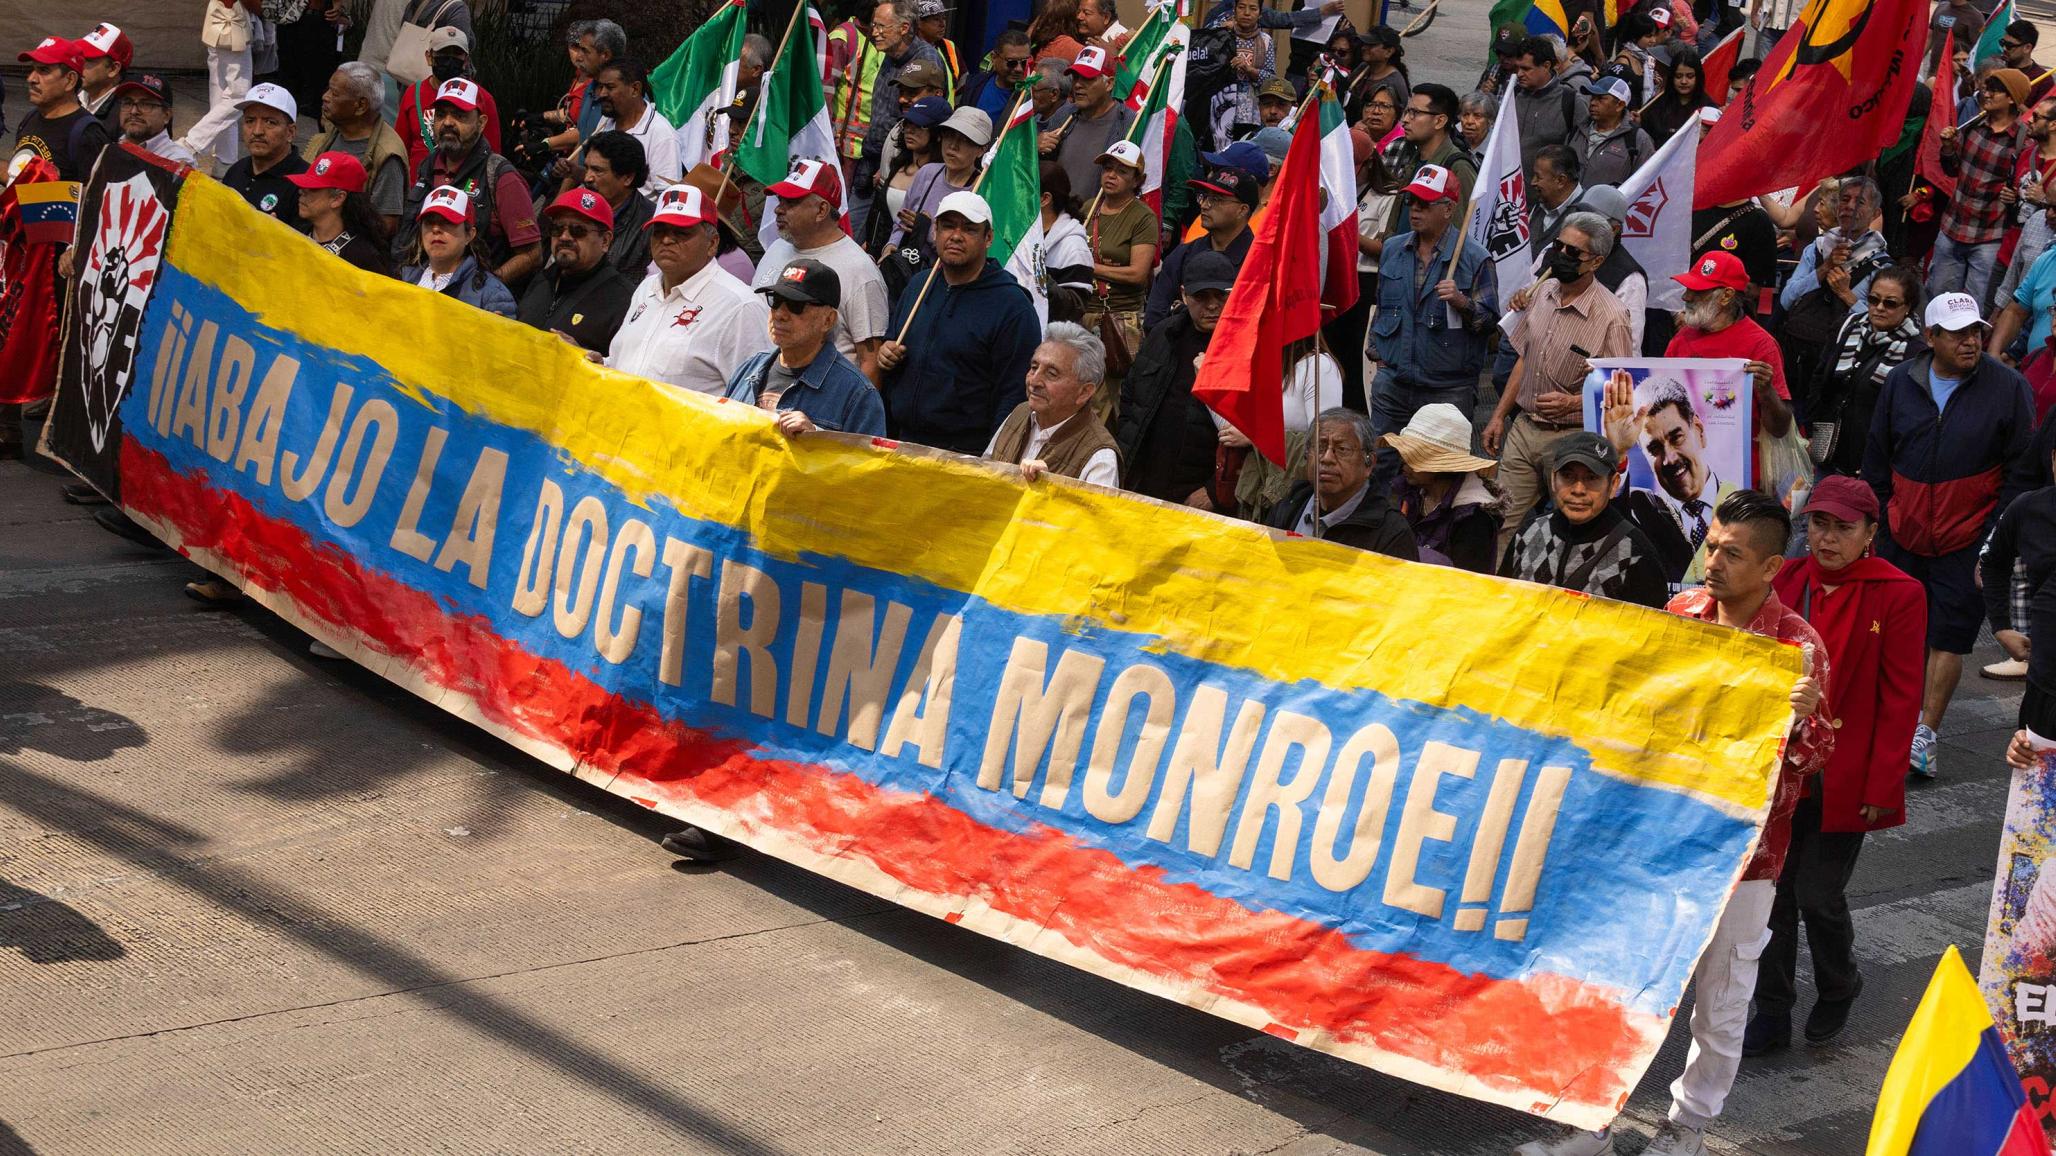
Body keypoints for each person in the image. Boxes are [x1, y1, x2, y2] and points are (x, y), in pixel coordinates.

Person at [1521, 492, 1832, 1156]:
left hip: (1746, 858)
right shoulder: (1681, 614)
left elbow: (1813, 759)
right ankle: (1590, 1119)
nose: (1713, 561)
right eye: (1712, 544)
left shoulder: (1797, 646)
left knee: (1720, 1003)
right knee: (1619, 983)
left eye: (1732, 552)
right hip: (1656, 842)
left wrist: (1803, 718)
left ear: (1773, 565)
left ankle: (1686, 1130)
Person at [1738, 476, 1926, 1057]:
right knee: (1771, 895)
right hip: (1783, 766)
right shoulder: (1785, 577)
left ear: (1871, 532)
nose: (1827, 537)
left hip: (1847, 773)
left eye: (1844, 527)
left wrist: (1883, 781)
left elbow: (1901, 698)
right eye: (1819, 523)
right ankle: (1771, 1009)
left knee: (1819, 895)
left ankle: (1839, 984)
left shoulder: (1900, 593)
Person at [1864, 291, 2040, 779]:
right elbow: (1877, 456)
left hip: (1968, 538)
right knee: (1897, 632)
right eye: (1958, 333)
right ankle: (1890, 720)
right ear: (1931, 338)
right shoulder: (1901, 382)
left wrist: (1993, 540)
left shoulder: (2008, 387)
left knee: (1948, 635)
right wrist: (1882, 516)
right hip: (1903, 532)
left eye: (1976, 331)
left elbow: (2021, 472)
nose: (1971, 341)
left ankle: (1926, 733)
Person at [1482, 212, 1634, 557]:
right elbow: (1524, 357)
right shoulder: (1543, 292)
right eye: (1558, 246)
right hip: (1524, 428)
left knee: (1572, 527)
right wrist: (1497, 416)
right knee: (1499, 519)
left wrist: (1573, 403)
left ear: (1596, 261)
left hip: (1574, 439)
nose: (1560, 256)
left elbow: (1620, 389)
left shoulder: (1612, 316)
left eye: (1572, 252)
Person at [877, 191, 1042, 454]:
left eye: (969, 229)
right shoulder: (919, 285)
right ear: (935, 232)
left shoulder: (1012, 307)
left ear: (988, 238)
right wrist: (886, 353)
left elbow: (1013, 396)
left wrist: (995, 460)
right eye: (948, 226)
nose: (955, 235)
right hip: (902, 444)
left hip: (963, 456)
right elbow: (893, 340)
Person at [1368, 164, 1498, 491]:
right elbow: (1383, 303)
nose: (1415, 210)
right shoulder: (1394, 250)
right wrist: (1378, 350)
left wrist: (1461, 302)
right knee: (1381, 464)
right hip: (1395, 381)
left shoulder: (1473, 257)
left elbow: (1489, 324)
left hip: (1447, 388)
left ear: (1449, 209)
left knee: (1440, 473)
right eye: (1412, 202)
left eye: (1425, 204)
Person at [606, 183, 771, 397]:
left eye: (681, 233)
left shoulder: (740, 307)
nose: (666, 240)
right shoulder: (646, 288)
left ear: (712, 243)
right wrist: (598, 362)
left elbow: (756, 396)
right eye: (659, 231)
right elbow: (629, 361)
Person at [394, 77, 541, 290]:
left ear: (481, 123)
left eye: (459, 115)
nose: (448, 122)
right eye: (441, 114)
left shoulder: (501, 177)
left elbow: (531, 255)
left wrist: (481, 291)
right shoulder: (426, 167)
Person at [753, 158, 892, 380]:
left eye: (791, 202)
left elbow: (870, 361)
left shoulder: (859, 270)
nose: (779, 209)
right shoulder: (777, 248)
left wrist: (849, 413)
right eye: (781, 200)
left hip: (817, 405)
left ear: (821, 210)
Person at [1497, 431, 1670, 607]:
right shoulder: (1528, 534)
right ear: (1553, 479)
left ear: (1613, 484)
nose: (1578, 489)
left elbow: (1652, 629)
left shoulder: (1636, 553)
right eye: (1568, 476)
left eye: (1591, 478)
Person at [1120, 250, 1235, 506]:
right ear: (1183, 294)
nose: (1213, 305)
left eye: (1221, 295)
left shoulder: (1246, 348)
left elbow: (1251, 434)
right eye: (1201, 296)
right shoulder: (1163, 335)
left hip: (1201, 496)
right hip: (1145, 484)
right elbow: (1131, 398)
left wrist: (1215, 491)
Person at [724, 258, 888, 437]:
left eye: (796, 305)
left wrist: (817, 440)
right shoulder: (748, 369)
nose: (779, 314)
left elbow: (867, 462)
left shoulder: (857, 393)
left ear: (828, 320)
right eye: (775, 301)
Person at [1666, 253, 1794, 462]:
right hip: (1687, 464)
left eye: (1697, 291)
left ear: (1726, 296)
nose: (1686, 297)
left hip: (1739, 471)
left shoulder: (1761, 345)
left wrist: (1767, 391)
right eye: (1688, 288)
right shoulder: (1682, 338)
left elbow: (1779, 429)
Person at [1780, 178, 1891, 404]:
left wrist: (1846, 295)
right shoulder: (1818, 248)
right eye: (1845, 199)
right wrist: (1823, 269)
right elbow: (1786, 299)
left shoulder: (1882, 266)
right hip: (1800, 355)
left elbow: (1880, 322)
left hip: (1842, 365)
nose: (1850, 206)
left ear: (1875, 212)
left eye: (1860, 202)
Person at [1807, 267, 1925, 479]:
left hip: (1873, 463)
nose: (1879, 308)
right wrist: (1813, 430)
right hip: (1829, 452)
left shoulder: (1914, 352)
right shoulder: (1848, 326)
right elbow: (1820, 378)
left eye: (1890, 303)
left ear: (1907, 307)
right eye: (1873, 300)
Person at [1983, 432, 2056, 771]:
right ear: (2053, 462)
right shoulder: (2029, 509)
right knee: (2039, 805)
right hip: (2045, 685)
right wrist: (2001, 626)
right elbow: (1994, 563)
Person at [1932, 68, 2031, 307]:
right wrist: (1948, 148)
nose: (1987, 94)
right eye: (1987, 88)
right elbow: (1952, 170)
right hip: (1952, 228)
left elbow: (2025, 190)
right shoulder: (1972, 125)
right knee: (1940, 299)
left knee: (1974, 306)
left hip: (1989, 236)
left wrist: (2015, 196)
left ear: (2011, 98)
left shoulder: (2022, 141)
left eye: (1995, 90)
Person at [1265, 409, 1422, 559]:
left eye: (1342, 449)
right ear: (1307, 455)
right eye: (1320, 447)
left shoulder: (1391, 532)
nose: (1327, 458)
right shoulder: (1289, 506)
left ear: (1369, 463)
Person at [984, 323, 1119, 487]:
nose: (1034, 381)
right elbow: (984, 474)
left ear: (1084, 392)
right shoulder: (1020, 412)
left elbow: (1091, 513)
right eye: (1034, 367)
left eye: (1051, 374)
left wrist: (1051, 488)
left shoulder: (1100, 458)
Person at [854, 0, 946, 234]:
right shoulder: (890, 54)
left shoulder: (925, 60)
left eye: (881, 26)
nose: (874, 32)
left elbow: (924, 120)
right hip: (871, 162)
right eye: (874, 25)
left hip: (897, 167)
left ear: (904, 28)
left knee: (884, 236)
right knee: (855, 232)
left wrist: (891, 165)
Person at [1082, 139, 1158, 415]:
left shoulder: (1143, 217)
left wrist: (1089, 268)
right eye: (1107, 168)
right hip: (1082, 314)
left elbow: (1138, 274)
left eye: (1121, 171)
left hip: (1117, 319)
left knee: (1107, 400)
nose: (1111, 175)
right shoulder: (1090, 208)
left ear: (1138, 180)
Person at [1384, 404, 1501, 572]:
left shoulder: (1473, 519)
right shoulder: (1413, 490)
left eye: (1414, 457)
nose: (1403, 461)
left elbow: (1466, 581)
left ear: (1441, 466)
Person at [517, 188, 635, 355]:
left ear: (605, 241)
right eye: (557, 229)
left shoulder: (624, 300)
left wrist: (581, 356)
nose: (564, 237)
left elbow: (625, 370)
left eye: (578, 230)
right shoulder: (542, 279)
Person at [1144, 165, 1257, 330]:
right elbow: (1153, 321)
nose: (1204, 205)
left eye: (1216, 200)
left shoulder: (1261, 260)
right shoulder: (1182, 256)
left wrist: (1182, 311)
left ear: (1242, 210)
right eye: (1204, 197)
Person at [303, 62, 407, 238]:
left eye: (335, 94)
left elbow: (386, 225)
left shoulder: (387, 154)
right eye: (328, 89)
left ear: (361, 106)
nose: (325, 97)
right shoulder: (333, 131)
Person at [393, 26, 504, 177]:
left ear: (466, 60)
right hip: (419, 188)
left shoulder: (482, 98)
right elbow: (399, 148)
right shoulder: (414, 93)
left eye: (457, 53)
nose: (450, 59)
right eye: (443, 53)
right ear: (429, 57)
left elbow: (493, 154)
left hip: (463, 189)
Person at [397, 186, 517, 317]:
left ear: (469, 235)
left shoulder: (492, 297)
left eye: (447, 222)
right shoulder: (401, 279)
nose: (436, 229)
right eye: (429, 222)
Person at [1044, 47, 1137, 213]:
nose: (1078, 85)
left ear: (1109, 84)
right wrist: (1037, 146)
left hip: (1096, 221)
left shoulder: (1128, 123)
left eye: (1087, 79)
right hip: (1055, 218)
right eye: (1076, 77)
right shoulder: (1064, 114)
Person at [889, 105, 989, 255]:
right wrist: (891, 246)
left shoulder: (982, 189)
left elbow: (968, 252)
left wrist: (926, 228)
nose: (953, 146)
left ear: (981, 150)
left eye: (964, 140)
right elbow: (901, 222)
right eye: (949, 136)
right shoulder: (927, 173)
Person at [1380, 83, 1476, 235]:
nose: (1405, 119)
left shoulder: (1458, 167)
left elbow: (1460, 233)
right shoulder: (1413, 160)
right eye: (1406, 111)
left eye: (1414, 113)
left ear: (1439, 121)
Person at [577, 58, 678, 200]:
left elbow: (668, 196)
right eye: (601, 87)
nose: (602, 94)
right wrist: (575, 172)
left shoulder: (662, 134)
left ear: (635, 89)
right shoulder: (607, 120)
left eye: (610, 87)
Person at [183, 0, 259, 168]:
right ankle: (191, 143)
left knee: (220, 96)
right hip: (232, 17)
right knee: (237, 96)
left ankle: (225, 160)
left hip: (221, 18)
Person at [222, 84, 310, 230]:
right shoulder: (236, 171)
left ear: (290, 132)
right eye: (250, 121)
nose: (257, 131)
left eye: (270, 122)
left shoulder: (306, 185)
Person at [290, 152, 391, 275]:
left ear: (338, 198)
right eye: (303, 186)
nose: (302, 191)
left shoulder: (362, 255)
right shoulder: (297, 234)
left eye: (313, 188)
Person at [872, 95, 945, 252]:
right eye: (907, 123)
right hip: (881, 254)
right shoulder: (897, 165)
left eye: (920, 126)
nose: (909, 130)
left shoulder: (942, 177)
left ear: (938, 134)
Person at [578, 130, 653, 277]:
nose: (587, 178)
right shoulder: (576, 210)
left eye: (597, 170)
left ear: (628, 178)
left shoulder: (651, 227)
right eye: (587, 168)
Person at [1510, 36, 1585, 177]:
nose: (1519, 74)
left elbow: (1582, 154)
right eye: (1518, 68)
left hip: (1548, 195)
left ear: (1546, 66)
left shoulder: (1570, 101)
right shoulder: (1513, 95)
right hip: (1509, 191)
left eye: (1526, 69)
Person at [1209, 0, 1276, 148]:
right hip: (1220, 106)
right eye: (1241, 7)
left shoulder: (1266, 41)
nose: (1246, 13)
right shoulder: (1221, 34)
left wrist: (1249, 69)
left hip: (1249, 112)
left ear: (1259, 14)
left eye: (1253, 9)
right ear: (1234, 10)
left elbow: (1271, 78)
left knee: (1242, 153)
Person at [1573, 75, 1651, 189]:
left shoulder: (1638, 140)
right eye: (1593, 97)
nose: (1593, 103)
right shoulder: (1578, 129)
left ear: (1619, 105)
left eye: (1600, 98)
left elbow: (1644, 182)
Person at [111, 74, 198, 167]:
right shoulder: (109, 150)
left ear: (166, 115)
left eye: (145, 104)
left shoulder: (177, 162)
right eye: (127, 103)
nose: (134, 111)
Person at [1639, 46, 1708, 149]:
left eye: (1690, 76)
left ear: (1698, 77)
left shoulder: (1708, 107)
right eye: (1678, 76)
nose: (1684, 81)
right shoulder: (1656, 103)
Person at [960, 29, 1032, 121]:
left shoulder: (1030, 97)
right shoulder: (973, 85)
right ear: (994, 58)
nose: (1019, 69)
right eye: (1011, 63)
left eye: (1024, 62)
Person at [1526, 146, 1584, 261]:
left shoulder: (1585, 216)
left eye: (1538, 177)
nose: (1533, 182)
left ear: (1561, 180)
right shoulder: (1539, 203)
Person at [75, 22, 129, 130]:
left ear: (113, 69)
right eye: (79, 58)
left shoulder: (127, 116)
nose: (79, 64)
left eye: (88, 60)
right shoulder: (70, 97)